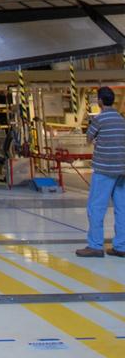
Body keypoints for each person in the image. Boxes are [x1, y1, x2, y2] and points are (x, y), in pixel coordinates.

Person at [76, 85, 125, 258]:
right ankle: (121, 246)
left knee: (96, 207)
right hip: (122, 170)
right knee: (122, 208)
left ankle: (95, 246)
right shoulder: (121, 119)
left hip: (104, 169)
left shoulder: (100, 119)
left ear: (100, 101)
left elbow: (89, 138)